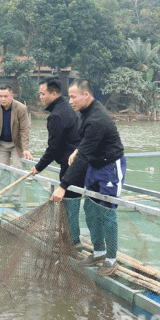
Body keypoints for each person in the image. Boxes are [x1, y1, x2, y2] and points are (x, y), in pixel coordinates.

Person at [50, 79, 126, 277]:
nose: (70, 100)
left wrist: (63, 186)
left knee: (107, 211)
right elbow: (86, 145)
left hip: (110, 167)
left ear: (86, 95)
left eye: (73, 96)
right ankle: (99, 252)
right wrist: (78, 149)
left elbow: (84, 156)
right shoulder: (84, 113)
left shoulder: (97, 118)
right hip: (95, 164)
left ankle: (111, 259)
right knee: (91, 208)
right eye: (69, 96)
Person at [31, 77, 83, 247]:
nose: (40, 97)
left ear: (54, 94)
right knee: (70, 203)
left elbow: (53, 148)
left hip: (71, 165)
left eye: (43, 93)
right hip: (76, 162)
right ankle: (70, 239)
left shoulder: (57, 115)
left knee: (70, 204)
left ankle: (72, 242)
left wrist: (38, 167)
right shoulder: (67, 108)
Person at [0, 84, 34, 207]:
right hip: (1, 144)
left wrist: (26, 149)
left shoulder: (21, 108)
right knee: (2, 171)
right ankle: (4, 197)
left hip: (17, 145)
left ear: (12, 96)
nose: (2, 99)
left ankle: (15, 198)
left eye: (5, 96)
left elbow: (25, 130)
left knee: (17, 169)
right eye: (0, 96)